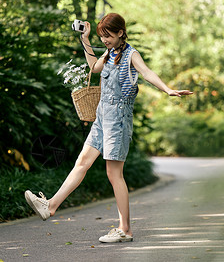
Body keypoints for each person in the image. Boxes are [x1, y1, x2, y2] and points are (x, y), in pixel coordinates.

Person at [25, 13, 193, 243]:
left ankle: (125, 230)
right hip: (102, 115)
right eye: (102, 36)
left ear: (120, 32)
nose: (104, 40)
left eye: (108, 35)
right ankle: (50, 206)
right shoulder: (110, 52)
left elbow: (146, 72)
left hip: (119, 119)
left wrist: (167, 89)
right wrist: (85, 39)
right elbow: (94, 68)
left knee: (114, 175)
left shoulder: (131, 54)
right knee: (82, 162)